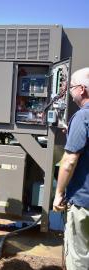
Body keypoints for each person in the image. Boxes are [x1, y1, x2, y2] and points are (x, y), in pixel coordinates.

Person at [53, 67, 89, 270]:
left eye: (72, 87)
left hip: (83, 201)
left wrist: (58, 194)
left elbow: (69, 161)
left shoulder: (82, 117)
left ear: (81, 90)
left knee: (78, 257)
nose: (69, 92)